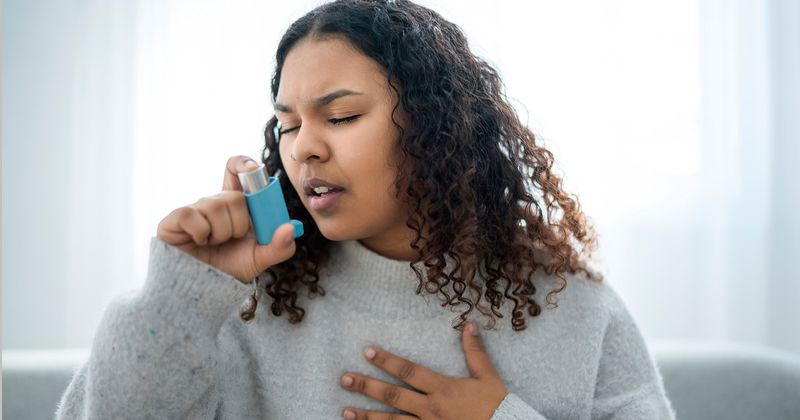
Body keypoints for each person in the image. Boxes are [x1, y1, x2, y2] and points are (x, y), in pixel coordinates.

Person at [55, 0, 676, 418]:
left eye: (342, 116)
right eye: (288, 125)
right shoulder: (251, 297)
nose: (305, 148)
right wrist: (184, 290)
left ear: (437, 126)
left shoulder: (572, 304)